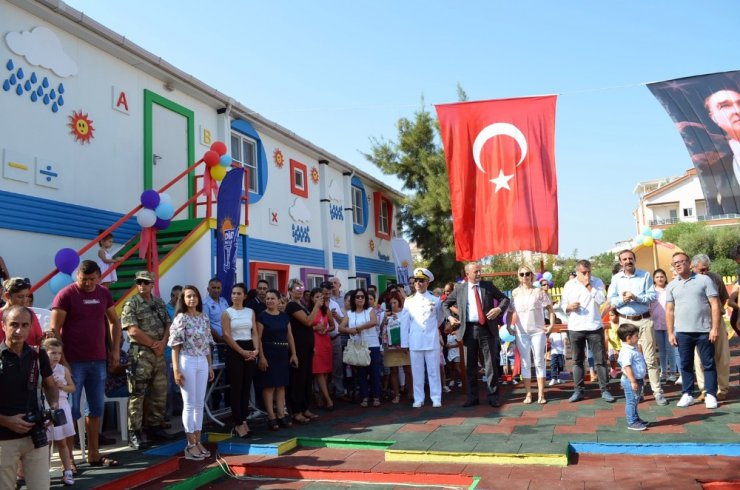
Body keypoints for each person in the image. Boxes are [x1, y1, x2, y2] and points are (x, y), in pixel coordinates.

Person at [50, 260, 121, 467]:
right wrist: (63, 362)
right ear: (76, 277)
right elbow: (54, 330)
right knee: (71, 410)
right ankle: (69, 459)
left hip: (98, 360)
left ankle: (94, 454)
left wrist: (114, 349)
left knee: (96, 407)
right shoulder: (65, 295)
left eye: (92, 279)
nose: (88, 283)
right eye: (84, 279)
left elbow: (114, 321)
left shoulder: (103, 294)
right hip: (73, 361)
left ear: (98, 277)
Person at [0, 306, 59, 490]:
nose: (19, 330)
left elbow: (50, 386)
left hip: (35, 436)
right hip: (3, 439)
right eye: (14, 325)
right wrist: (6, 421)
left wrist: (54, 407)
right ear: (3, 326)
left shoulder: (37, 355)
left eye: (25, 325)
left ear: (31, 327)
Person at [443, 262, 510, 408]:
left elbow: (505, 299)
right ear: (467, 274)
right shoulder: (460, 289)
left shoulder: (488, 286)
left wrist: (499, 309)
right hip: (468, 330)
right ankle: (472, 397)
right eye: (476, 272)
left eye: (480, 271)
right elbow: (445, 304)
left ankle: (493, 397)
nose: (479, 274)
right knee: (470, 365)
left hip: (487, 329)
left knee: (490, 364)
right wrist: (450, 317)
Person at [608, 250, 666, 406]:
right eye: (624, 259)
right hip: (626, 322)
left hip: (644, 320)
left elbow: (652, 296)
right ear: (620, 262)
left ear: (635, 260)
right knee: (630, 360)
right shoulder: (616, 279)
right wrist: (623, 300)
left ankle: (657, 392)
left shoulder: (645, 275)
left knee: (650, 359)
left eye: (630, 258)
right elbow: (611, 300)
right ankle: (637, 392)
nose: (628, 261)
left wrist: (636, 297)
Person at [120, 271, 172, 450]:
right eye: (139, 282)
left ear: (152, 284)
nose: (142, 285)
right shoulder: (131, 304)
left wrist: (163, 343)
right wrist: (153, 345)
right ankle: (135, 432)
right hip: (141, 353)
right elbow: (132, 330)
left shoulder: (158, 302)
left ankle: (155, 427)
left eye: (146, 282)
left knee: (159, 391)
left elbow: (167, 323)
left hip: (158, 353)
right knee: (137, 394)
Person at [666, 252, 721, 409]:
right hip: (682, 332)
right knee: (685, 364)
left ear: (689, 263)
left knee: (708, 364)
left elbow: (715, 304)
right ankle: (687, 394)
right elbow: (669, 310)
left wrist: (715, 328)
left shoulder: (704, 280)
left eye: (681, 261)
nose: (678, 265)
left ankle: (710, 394)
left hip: (704, 330)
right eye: (675, 263)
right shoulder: (672, 285)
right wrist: (671, 332)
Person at [168, 285, 214, 460]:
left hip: (202, 360)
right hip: (186, 360)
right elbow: (175, 347)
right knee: (189, 403)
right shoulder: (181, 318)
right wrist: (176, 370)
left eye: (194, 296)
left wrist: (209, 366)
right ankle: (190, 444)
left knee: (199, 403)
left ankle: (198, 439)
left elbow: (208, 344)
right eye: (188, 296)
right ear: (183, 299)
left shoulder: (204, 318)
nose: (192, 299)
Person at [562, 259, 615, 403]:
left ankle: (605, 390)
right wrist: (569, 307)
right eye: (584, 273)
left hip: (594, 326)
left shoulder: (597, 282)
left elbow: (601, 300)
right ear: (577, 272)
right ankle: (578, 391)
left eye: (589, 272)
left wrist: (588, 286)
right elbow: (562, 304)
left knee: (600, 360)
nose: (587, 275)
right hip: (575, 327)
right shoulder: (569, 285)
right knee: (577, 361)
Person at [509, 265, 556, 405]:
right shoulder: (515, 293)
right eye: (522, 274)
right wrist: (508, 325)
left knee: (539, 361)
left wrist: (552, 324)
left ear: (532, 275)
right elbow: (511, 311)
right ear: (519, 276)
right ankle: (528, 393)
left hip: (537, 331)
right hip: (521, 332)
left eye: (527, 274)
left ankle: (541, 394)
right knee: (525, 363)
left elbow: (550, 309)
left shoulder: (539, 291)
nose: (525, 277)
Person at [221, 283, 259, 438]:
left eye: (238, 293)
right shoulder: (227, 313)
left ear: (245, 296)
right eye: (233, 293)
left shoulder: (250, 311)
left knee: (246, 386)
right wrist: (242, 351)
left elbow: (254, 332)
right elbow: (226, 335)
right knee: (236, 388)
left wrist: (256, 350)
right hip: (235, 350)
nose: (235, 296)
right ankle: (237, 423)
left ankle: (244, 419)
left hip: (249, 348)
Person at [690, 255, 730, 402]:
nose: (705, 272)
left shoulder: (715, 278)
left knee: (722, 356)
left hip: (716, 321)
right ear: (692, 267)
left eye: (707, 269)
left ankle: (722, 389)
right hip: (697, 324)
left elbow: (724, 297)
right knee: (699, 358)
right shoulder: (688, 281)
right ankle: (704, 390)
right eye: (702, 269)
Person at [402, 268, 444, 408]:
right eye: (416, 281)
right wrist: (404, 343)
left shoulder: (435, 300)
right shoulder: (408, 301)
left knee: (434, 371)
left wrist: (431, 331)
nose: (418, 283)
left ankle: (436, 397)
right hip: (415, 341)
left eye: (422, 281)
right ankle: (418, 398)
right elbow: (404, 323)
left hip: (431, 340)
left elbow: (439, 318)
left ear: (427, 283)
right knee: (417, 372)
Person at [257, 289, 298, 430]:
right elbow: (258, 338)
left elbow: (290, 335)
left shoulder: (284, 316)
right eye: (267, 298)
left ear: (279, 300)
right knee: (269, 386)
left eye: (272, 298)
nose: (269, 301)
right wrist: (261, 357)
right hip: (268, 353)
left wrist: (294, 354)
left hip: (282, 354)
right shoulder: (261, 316)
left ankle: (281, 415)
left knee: (281, 386)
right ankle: (271, 417)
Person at [285, 279, 321, 423]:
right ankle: (296, 411)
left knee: (306, 379)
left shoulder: (302, 304)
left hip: (306, 348)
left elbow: (307, 327)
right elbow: (307, 321)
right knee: (298, 380)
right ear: (290, 290)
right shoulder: (292, 305)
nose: (300, 290)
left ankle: (305, 408)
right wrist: (317, 306)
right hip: (297, 348)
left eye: (301, 287)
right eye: (296, 288)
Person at [42, 338, 76, 486]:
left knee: (62, 442)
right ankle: (44, 473)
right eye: (52, 353)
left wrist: (62, 386)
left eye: (59, 353)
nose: (56, 356)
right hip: (45, 406)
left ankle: (67, 471)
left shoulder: (63, 369)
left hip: (62, 406)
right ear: (44, 353)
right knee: (46, 443)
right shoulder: (39, 369)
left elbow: (72, 387)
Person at [339, 288, 381, 407]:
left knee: (374, 372)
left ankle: (376, 396)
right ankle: (364, 397)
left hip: (372, 345)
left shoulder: (370, 310)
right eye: (357, 297)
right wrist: (349, 330)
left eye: (363, 296)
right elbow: (340, 327)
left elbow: (374, 322)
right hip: (357, 346)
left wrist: (358, 329)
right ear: (354, 299)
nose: (360, 299)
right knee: (361, 373)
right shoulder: (350, 313)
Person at [381, 290, 412, 404]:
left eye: (395, 302)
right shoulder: (385, 314)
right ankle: (397, 394)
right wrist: (385, 319)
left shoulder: (405, 313)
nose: (393, 305)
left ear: (399, 302)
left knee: (408, 370)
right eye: (391, 303)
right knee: (393, 371)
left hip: (404, 345)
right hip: (391, 347)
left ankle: (411, 392)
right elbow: (381, 330)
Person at [617, 323, 649, 431]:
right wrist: (633, 381)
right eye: (636, 336)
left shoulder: (633, 348)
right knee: (631, 401)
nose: (638, 337)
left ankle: (635, 418)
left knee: (635, 400)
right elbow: (627, 367)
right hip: (630, 380)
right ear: (628, 338)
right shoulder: (627, 351)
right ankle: (632, 422)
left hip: (636, 380)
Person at [309, 287, 335, 410]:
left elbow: (333, 325)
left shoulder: (326, 311)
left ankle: (320, 395)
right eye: (317, 297)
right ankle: (328, 399)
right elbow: (305, 327)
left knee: (325, 371)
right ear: (312, 299)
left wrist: (326, 329)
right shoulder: (309, 311)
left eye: (321, 297)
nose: (320, 299)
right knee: (318, 371)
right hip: (314, 342)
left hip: (325, 341)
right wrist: (314, 328)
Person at [649, 269, 677, 383]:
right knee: (661, 350)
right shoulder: (651, 292)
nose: (660, 279)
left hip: (670, 324)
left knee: (670, 348)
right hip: (656, 323)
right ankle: (664, 371)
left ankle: (673, 372)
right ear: (654, 279)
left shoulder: (670, 289)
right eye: (657, 277)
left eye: (662, 276)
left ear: (665, 278)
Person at [1, 278, 43, 347]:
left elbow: (38, 339)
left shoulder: (30, 313)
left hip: (31, 356)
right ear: (7, 296)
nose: (25, 300)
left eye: (26, 296)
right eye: (20, 297)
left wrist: (45, 338)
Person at [321, 281, 346, 400]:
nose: (327, 295)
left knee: (337, 366)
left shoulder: (335, 304)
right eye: (325, 293)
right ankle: (322, 394)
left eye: (329, 293)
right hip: (321, 339)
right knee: (322, 368)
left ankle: (339, 392)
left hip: (335, 338)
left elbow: (342, 322)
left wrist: (336, 317)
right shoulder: (316, 304)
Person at [604, 309, 623, 379]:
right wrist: (606, 348)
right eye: (609, 315)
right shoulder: (608, 324)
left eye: (612, 315)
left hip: (621, 345)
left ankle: (624, 370)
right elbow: (606, 336)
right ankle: (613, 369)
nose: (610, 317)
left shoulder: (621, 324)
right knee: (612, 359)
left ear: (618, 316)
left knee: (622, 359)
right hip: (611, 345)